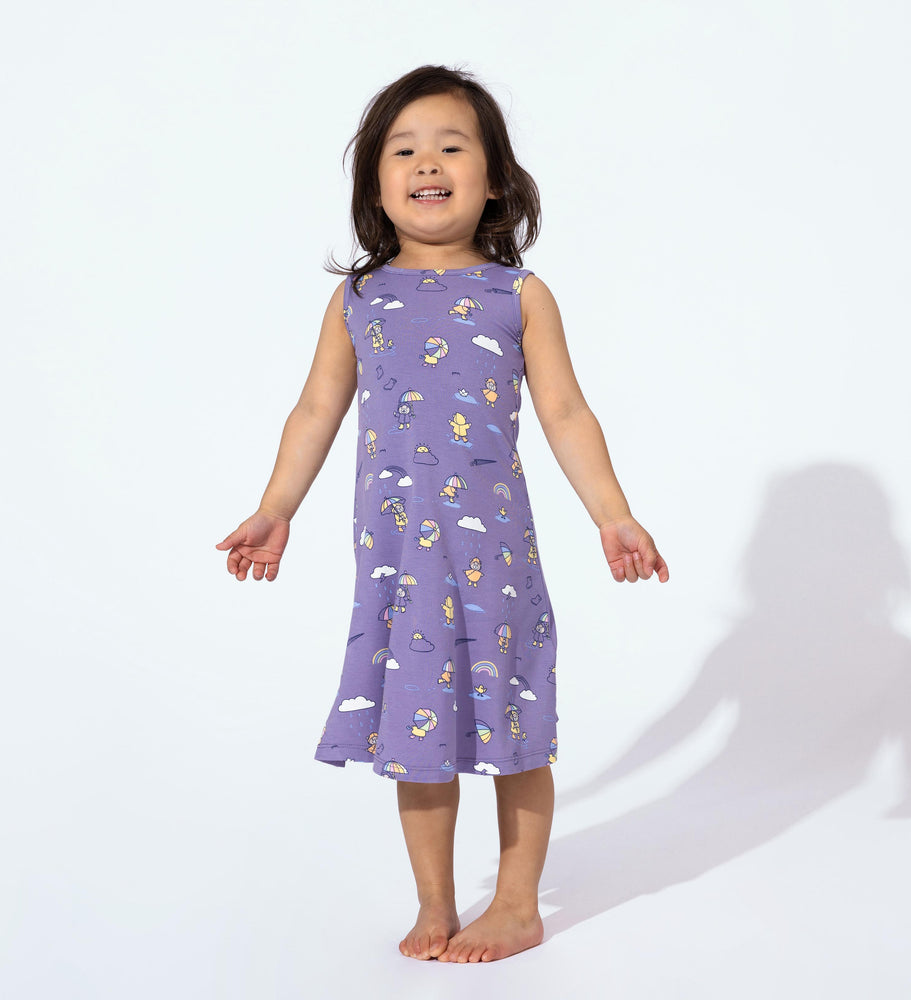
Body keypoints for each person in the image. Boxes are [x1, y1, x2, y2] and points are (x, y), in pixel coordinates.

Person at [216, 65, 669, 964]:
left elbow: (566, 412)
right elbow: (315, 409)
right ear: (375, 185)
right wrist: (275, 507)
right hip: (398, 562)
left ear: (493, 178)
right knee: (413, 726)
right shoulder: (358, 299)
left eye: (452, 147)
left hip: (495, 557)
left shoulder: (520, 294)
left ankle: (518, 905)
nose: (428, 163)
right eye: (404, 150)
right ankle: (435, 902)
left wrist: (613, 515)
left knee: (514, 720)